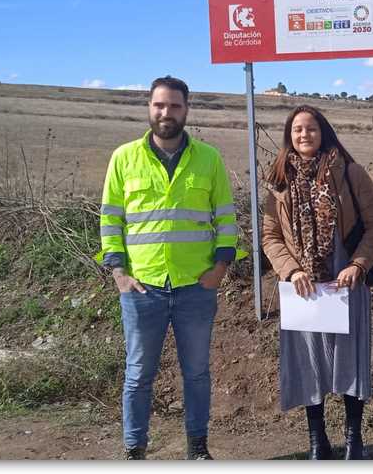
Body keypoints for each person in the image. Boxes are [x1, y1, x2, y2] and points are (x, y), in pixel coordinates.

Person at [98, 76, 239, 460]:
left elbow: (226, 217)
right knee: (138, 376)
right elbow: (111, 220)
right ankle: (135, 451)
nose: (166, 113)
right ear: (149, 107)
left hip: (196, 287)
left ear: (186, 110)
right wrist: (118, 273)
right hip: (142, 289)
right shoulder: (124, 158)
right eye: (160, 105)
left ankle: (197, 449)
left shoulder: (208, 159)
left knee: (196, 374)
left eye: (175, 106)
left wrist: (220, 267)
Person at [261, 105, 373, 460]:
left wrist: (358, 265)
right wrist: (291, 270)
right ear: (290, 136)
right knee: (308, 361)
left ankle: (354, 440)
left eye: (311, 128)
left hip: (346, 283)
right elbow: (270, 237)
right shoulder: (280, 182)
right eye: (298, 130)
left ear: (324, 132)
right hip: (303, 286)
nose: (304, 135)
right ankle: (318, 441)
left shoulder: (351, 173)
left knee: (350, 360)